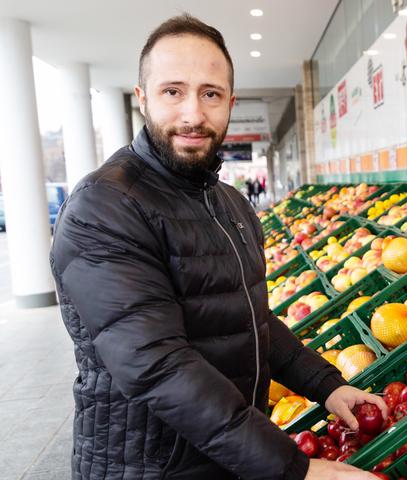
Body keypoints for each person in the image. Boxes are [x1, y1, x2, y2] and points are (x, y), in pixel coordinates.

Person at [50, 14, 385, 480]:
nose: (193, 113)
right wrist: (294, 469)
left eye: (209, 93)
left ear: (230, 102)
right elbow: (156, 364)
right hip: (150, 467)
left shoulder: (227, 203)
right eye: (173, 91)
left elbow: (247, 317)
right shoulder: (105, 207)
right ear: (143, 99)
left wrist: (325, 385)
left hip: (230, 456)